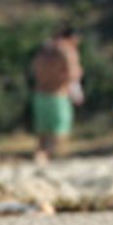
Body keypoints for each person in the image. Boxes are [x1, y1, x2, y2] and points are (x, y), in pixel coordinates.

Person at [30, 25, 83, 162]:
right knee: (59, 133)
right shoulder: (67, 50)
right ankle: (46, 156)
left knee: (42, 135)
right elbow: (73, 73)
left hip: (40, 95)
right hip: (58, 94)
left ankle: (40, 156)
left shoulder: (44, 49)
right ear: (73, 38)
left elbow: (34, 70)